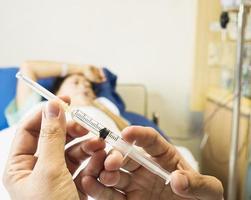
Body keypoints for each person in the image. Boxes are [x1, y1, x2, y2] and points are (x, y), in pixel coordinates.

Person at [3, 100, 224, 200]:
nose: (81, 85)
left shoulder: (102, 105)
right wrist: (74, 70)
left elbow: (125, 130)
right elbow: (28, 68)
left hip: (99, 149)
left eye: (86, 85)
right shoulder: (37, 107)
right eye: (74, 82)